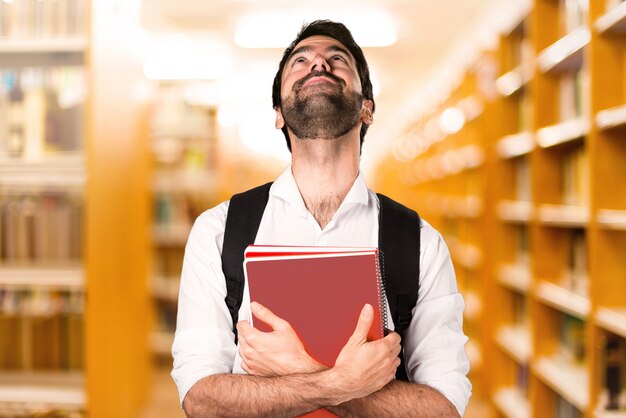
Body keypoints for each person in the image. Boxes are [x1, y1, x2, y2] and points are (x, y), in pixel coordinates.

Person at [172, 20, 471, 417]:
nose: (318, 65)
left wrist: (298, 371)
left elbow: (444, 409)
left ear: (367, 109)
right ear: (279, 113)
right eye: (300, 60)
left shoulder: (419, 244)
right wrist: (339, 383)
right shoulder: (219, 232)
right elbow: (201, 399)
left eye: (337, 59)